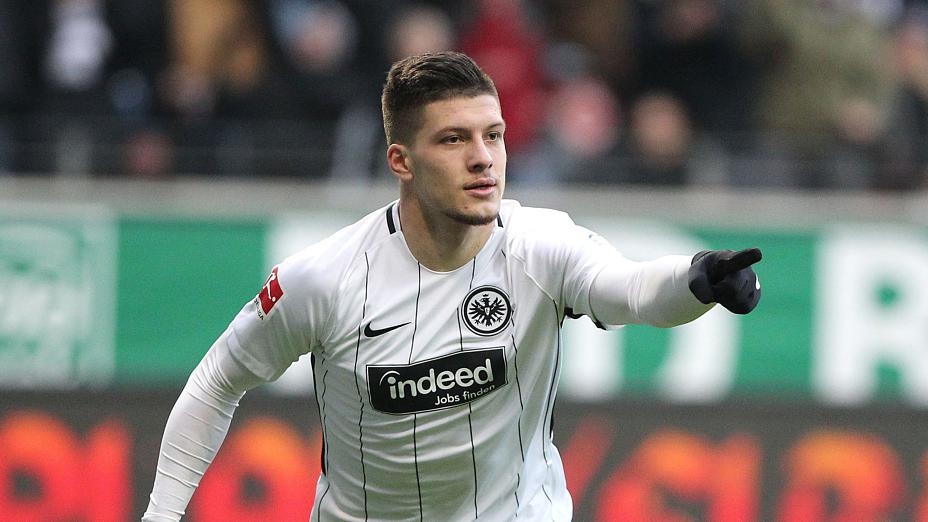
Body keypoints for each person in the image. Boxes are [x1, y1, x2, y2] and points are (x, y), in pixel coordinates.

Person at [142, 51, 762, 521]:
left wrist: (698, 278)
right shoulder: (322, 279)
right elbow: (219, 379)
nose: (483, 158)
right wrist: (162, 516)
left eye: (492, 134)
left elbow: (629, 290)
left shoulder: (539, 244)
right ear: (400, 161)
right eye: (453, 139)